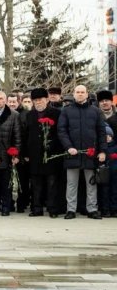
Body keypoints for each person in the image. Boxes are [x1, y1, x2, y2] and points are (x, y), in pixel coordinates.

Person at [58, 84, 107, 219]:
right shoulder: (66, 111)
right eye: (77, 92)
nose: (80, 94)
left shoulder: (95, 111)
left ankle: (92, 209)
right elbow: (61, 131)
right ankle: (71, 210)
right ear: (74, 94)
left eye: (82, 92)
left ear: (87, 94)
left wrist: (102, 151)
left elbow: (101, 133)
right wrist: (69, 147)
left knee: (91, 183)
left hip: (90, 153)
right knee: (72, 183)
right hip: (72, 153)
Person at [18, 88, 64, 217]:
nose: (38, 102)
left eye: (41, 100)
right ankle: (36, 208)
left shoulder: (56, 113)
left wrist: (53, 147)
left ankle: (52, 209)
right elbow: (24, 135)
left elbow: (60, 133)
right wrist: (25, 154)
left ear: (47, 100)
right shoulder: (29, 115)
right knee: (36, 184)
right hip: (34, 155)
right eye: (35, 100)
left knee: (52, 183)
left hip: (51, 154)